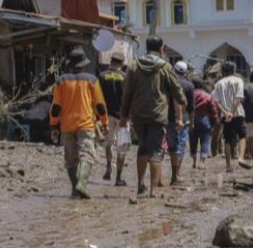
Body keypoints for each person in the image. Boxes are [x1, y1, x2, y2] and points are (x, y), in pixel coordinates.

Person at [120, 36, 185, 199]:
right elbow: (176, 89)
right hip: (158, 114)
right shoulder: (165, 66)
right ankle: (153, 190)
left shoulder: (134, 65)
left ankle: (141, 185)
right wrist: (182, 100)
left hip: (138, 114)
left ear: (147, 48)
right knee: (156, 150)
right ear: (161, 49)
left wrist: (124, 115)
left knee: (142, 147)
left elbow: (127, 93)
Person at [49, 47, 108, 199]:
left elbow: (55, 107)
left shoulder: (61, 81)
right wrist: (105, 122)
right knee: (87, 155)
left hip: (67, 126)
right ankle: (81, 184)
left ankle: (75, 190)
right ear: (84, 64)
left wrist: (54, 126)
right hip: (86, 124)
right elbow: (100, 105)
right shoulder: (92, 80)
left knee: (70, 159)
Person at [99, 52, 128, 186]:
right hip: (123, 117)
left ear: (111, 61)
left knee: (109, 142)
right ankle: (118, 178)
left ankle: (109, 165)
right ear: (121, 63)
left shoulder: (102, 76)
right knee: (122, 147)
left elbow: (98, 98)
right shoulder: (126, 77)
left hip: (107, 115)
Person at [212, 62, 247, 173]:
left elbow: (217, 102)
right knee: (242, 136)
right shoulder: (239, 81)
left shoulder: (218, 84)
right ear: (234, 70)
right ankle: (241, 158)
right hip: (238, 112)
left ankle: (228, 166)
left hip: (225, 115)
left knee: (227, 140)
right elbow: (238, 98)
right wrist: (232, 112)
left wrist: (226, 112)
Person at [166, 60, 196, 185]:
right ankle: (176, 174)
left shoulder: (167, 83)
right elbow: (191, 107)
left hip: (168, 119)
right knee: (181, 147)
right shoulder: (189, 86)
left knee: (171, 147)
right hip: (183, 120)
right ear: (185, 72)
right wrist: (192, 121)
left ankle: (173, 175)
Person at [190, 78, 219, 168]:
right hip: (205, 120)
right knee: (205, 141)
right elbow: (213, 109)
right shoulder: (208, 95)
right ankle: (202, 163)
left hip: (192, 119)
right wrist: (215, 121)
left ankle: (194, 161)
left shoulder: (190, 95)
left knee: (193, 141)